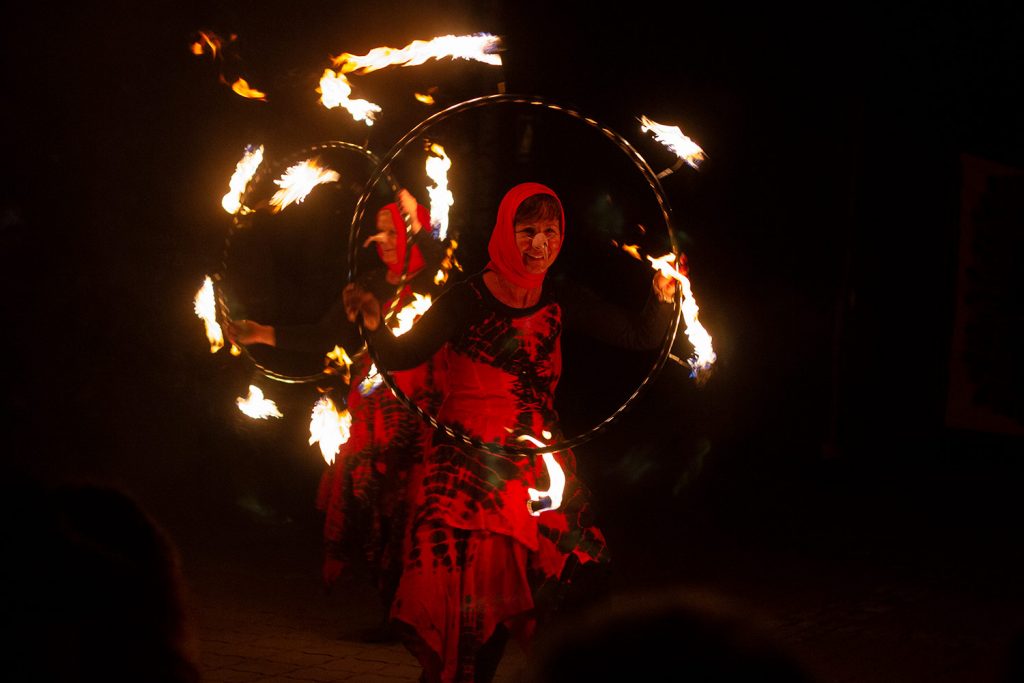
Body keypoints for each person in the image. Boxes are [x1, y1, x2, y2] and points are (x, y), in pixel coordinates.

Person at [344, 182, 677, 682]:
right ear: (506, 232)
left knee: (581, 571)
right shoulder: (466, 298)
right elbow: (401, 357)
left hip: (536, 461)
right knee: (475, 618)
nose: (540, 243)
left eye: (550, 231)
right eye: (527, 231)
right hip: (468, 472)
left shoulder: (559, 296)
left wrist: (661, 294)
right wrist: (373, 321)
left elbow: (638, 333)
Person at [228, 190, 446, 616]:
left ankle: (419, 604)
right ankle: (390, 607)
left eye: (391, 230)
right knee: (373, 507)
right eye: (377, 230)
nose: (377, 239)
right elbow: (324, 336)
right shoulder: (367, 283)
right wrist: (260, 333)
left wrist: (414, 216)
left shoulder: (436, 279)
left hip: (424, 413)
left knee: (415, 507)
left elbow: (437, 259)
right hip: (372, 411)